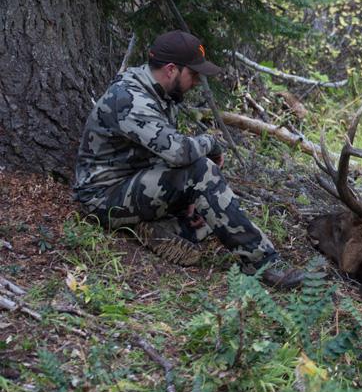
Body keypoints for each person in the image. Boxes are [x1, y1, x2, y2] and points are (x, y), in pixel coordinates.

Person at [73, 30, 304, 287]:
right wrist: (212, 143)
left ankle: (161, 227)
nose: (196, 81)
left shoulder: (160, 93)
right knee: (202, 171)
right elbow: (179, 152)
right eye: (193, 74)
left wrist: (188, 198)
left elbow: (165, 154)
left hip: (132, 180)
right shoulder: (130, 99)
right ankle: (264, 265)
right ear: (171, 69)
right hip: (104, 198)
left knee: (209, 213)